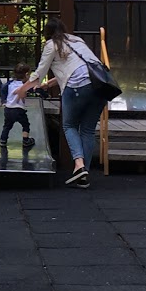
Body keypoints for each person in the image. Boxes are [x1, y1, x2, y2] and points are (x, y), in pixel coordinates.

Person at [32, 19, 111, 187]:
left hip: (77, 87)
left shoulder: (51, 44)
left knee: (69, 125)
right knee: (88, 129)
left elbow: (39, 73)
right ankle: (83, 175)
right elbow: (80, 67)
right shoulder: (77, 40)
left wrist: (23, 89)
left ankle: (79, 164)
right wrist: (51, 83)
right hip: (101, 86)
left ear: (47, 32)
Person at [0, 62, 39, 150]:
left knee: (7, 126)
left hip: (8, 109)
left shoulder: (9, 83)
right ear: (27, 74)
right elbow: (31, 91)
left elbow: (2, 89)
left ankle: (3, 140)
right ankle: (26, 140)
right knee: (25, 125)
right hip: (18, 110)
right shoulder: (24, 85)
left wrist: (3, 100)